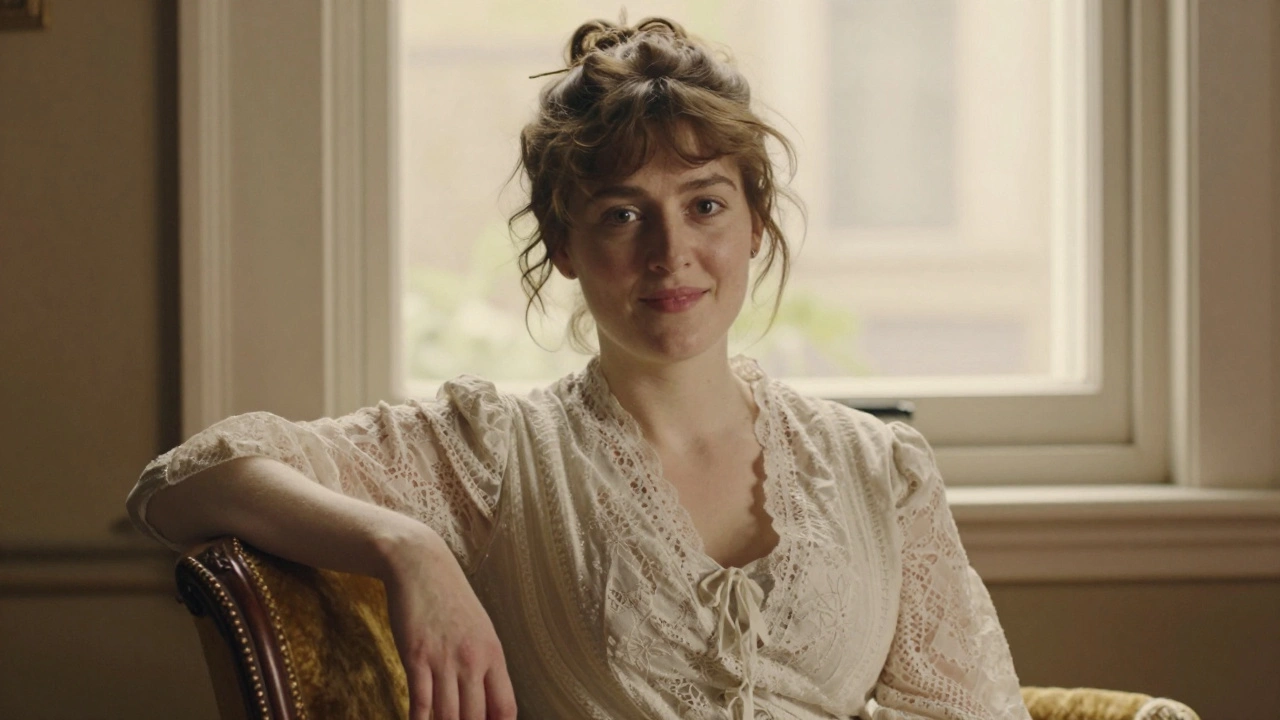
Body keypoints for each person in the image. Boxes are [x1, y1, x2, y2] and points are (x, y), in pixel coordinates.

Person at [126, 17, 1031, 720]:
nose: (672, 253)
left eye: (705, 205)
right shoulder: (492, 453)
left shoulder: (878, 471)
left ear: (755, 223)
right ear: (564, 243)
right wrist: (408, 547)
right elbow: (186, 481)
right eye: (623, 215)